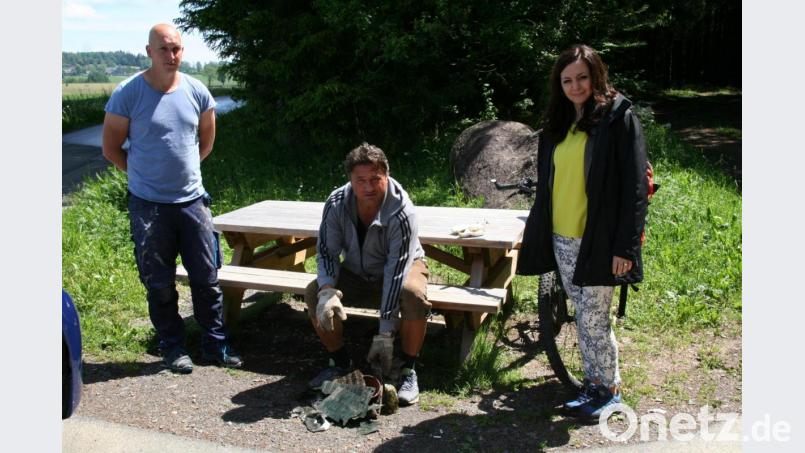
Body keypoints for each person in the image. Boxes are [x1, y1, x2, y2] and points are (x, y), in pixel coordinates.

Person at [517, 44, 649, 420]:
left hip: (601, 240)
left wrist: (625, 247)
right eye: (567, 80)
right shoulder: (559, 125)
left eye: (582, 78)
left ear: (596, 77)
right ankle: (595, 384)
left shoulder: (618, 117)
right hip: (563, 236)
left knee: (593, 318)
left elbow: (634, 187)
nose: (575, 86)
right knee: (584, 313)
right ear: (559, 85)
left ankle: (609, 391)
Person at [101, 23, 242, 374]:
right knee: (159, 282)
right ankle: (172, 346)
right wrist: (141, 177)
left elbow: (205, 142)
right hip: (148, 205)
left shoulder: (197, 91)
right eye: (163, 49)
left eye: (176, 48)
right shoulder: (127, 94)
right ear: (148, 52)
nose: (171, 55)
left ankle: (215, 343)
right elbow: (110, 147)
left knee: (207, 278)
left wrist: (185, 172)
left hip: (192, 202)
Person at [305, 143, 430, 405]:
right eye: (360, 180)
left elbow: (396, 272)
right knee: (314, 292)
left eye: (375, 179)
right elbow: (327, 252)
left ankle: (408, 369)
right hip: (356, 270)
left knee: (414, 295)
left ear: (386, 175)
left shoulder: (401, 211)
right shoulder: (337, 203)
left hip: (403, 266)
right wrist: (328, 290)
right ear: (350, 180)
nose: (368, 187)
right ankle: (340, 362)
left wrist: (385, 334)